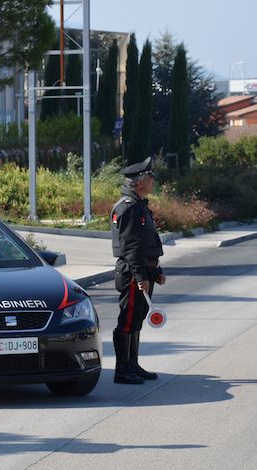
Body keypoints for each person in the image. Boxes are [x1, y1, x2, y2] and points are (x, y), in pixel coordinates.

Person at [110, 157, 167, 385]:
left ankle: (132, 365)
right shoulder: (128, 208)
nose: (153, 180)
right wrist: (141, 276)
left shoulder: (140, 206)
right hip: (134, 273)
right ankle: (122, 370)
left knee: (137, 319)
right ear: (139, 182)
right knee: (128, 320)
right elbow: (130, 247)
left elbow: (147, 242)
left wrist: (157, 269)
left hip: (145, 271)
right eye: (150, 177)